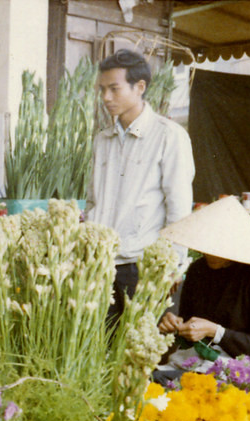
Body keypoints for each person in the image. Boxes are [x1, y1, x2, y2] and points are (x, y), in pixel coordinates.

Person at [85, 49, 195, 325]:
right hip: (101, 267)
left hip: (143, 268)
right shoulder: (102, 140)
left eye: (114, 89)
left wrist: (172, 267)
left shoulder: (169, 136)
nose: (106, 97)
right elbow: (92, 201)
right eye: (102, 90)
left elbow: (179, 209)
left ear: (140, 87)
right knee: (101, 353)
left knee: (138, 357)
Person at [153, 196, 250, 384]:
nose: (209, 253)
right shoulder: (198, 270)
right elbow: (190, 329)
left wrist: (216, 332)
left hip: (241, 372)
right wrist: (177, 326)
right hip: (195, 363)